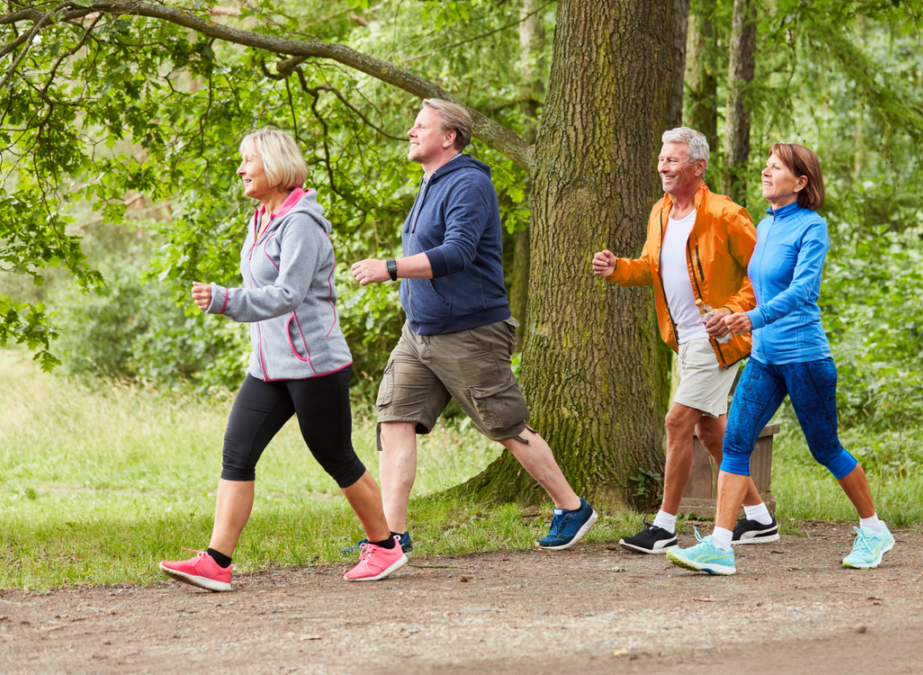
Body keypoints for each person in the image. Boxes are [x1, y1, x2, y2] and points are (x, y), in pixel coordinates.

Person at [159, 128, 406, 591]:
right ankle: (217, 561)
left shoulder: (301, 224)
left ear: (273, 165)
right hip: (268, 367)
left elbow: (288, 294)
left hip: (315, 365)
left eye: (247, 160)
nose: (240, 169)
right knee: (238, 451)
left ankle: (386, 547)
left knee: (335, 456)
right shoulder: (261, 218)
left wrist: (225, 300)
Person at [350, 99, 597, 551]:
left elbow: (458, 253)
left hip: (469, 332)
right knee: (394, 420)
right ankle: (391, 537)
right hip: (419, 331)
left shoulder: (468, 183)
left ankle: (572, 507)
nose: (410, 131)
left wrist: (390, 267)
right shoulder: (430, 182)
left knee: (506, 426)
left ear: (449, 137)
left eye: (420, 125)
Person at [668, 143, 896, 575]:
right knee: (736, 442)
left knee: (825, 448)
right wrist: (728, 314)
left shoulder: (812, 228)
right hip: (764, 357)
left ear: (801, 181)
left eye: (777, 167)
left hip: (804, 357)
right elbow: (758, 288)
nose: (766, 171)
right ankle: (720, 546)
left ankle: (874, 528)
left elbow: (803, 292)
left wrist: (749, 319)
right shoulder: (767, 225)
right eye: (767, 165)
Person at [593, 127, 777, 554]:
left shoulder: (726, 214)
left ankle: (664, 525)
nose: (663, 166)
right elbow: (650, 267)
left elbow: (764, 275)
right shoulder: (660, 212)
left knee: (677, 422)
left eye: (673, 160)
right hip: (684, 342)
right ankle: (760, 519)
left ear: (698, 167)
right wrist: (618, 267)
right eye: (662, 159)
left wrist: (732, 313)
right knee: (712, 434)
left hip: (718, 341)